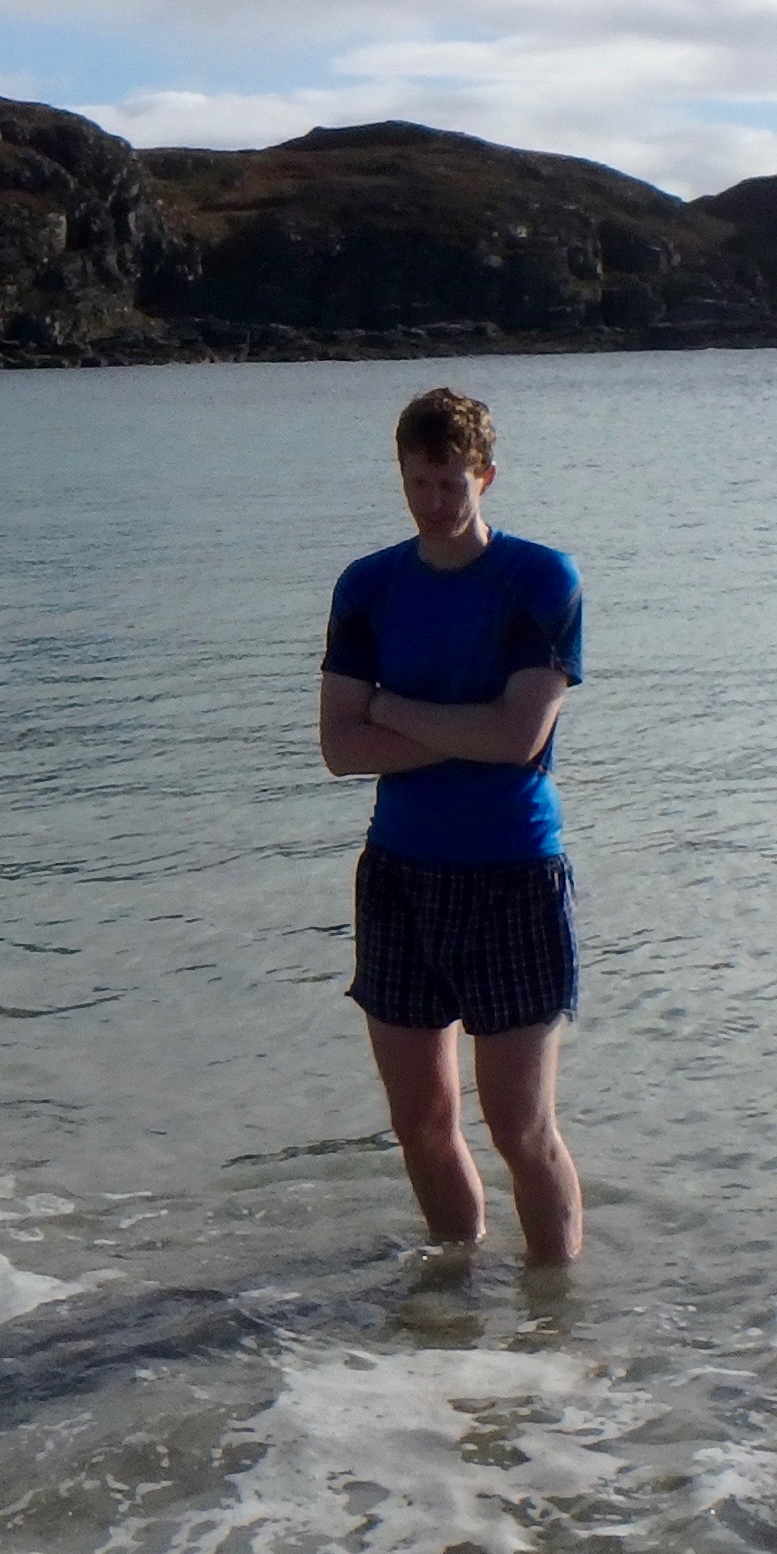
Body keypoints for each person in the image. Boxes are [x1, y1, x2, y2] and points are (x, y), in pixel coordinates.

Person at [317, 385, 588, 1265]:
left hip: (512, 871)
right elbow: (340, 749)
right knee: (421, 1122)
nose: (432, 503)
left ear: (486, 477)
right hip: (400, 873)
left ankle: (554, 1319)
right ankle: (454, 1296)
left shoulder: (540, 579)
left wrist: (392, 708)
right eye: (417, 484)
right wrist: (468, 728)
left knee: (521, 1128)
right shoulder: (368, 586)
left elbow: (517, 739)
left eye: (450, 484)